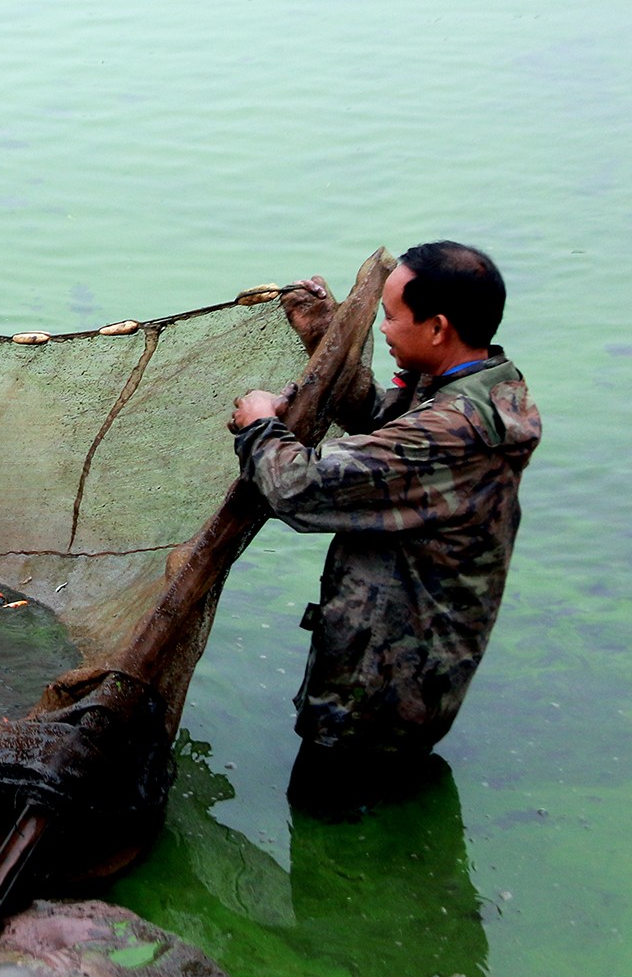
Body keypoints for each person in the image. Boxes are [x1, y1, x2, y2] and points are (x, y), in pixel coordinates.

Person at [227, 242, 539, 811]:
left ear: (438, 327)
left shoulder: (454, 429)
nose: (383, 328)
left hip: (380, 691)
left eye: (391, 317)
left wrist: (259, 427)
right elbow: (379, 422)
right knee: (384, 801)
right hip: (419, 677)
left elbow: (296, 490)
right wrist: (327, 340)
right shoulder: (483, 383)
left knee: (321, 813)